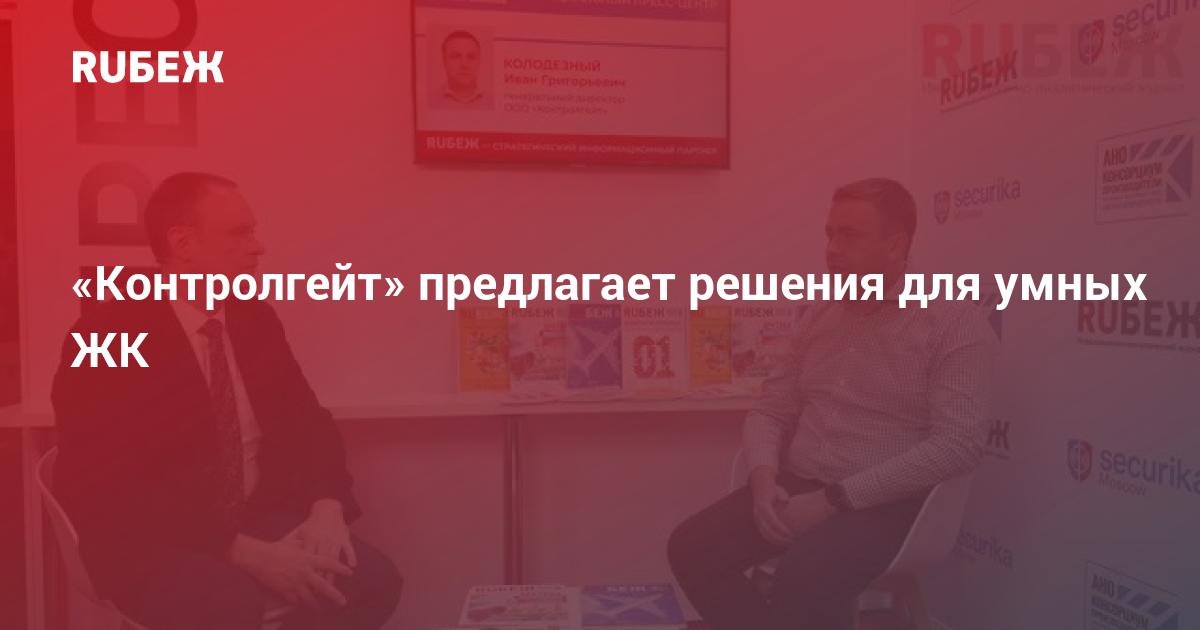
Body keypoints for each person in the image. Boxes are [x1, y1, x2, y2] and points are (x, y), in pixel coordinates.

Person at [51, 172, 402, 630]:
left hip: (253, 516)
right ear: (183, 243)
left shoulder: (254, 320)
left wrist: (327, 504)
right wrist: (241, 552)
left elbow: (307, 422)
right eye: (241, 233)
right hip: (154, 538)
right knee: (227, 607)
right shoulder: (107, 334)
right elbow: (110, 486)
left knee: (373, 582)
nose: (258, 247)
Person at [667, 178, 998, 630]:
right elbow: (770, 408)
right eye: (830, 234)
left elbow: (957, 445)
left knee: (804, 579)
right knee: (691, 547)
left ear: (895, 245)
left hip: (884, 501)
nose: (832, 250)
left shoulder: (952, 322)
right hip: (797, 486)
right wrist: (762, 480)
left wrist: (833, 501)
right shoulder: (821, 315)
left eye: (850, 236)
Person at [438, 30, 484, 106]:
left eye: (471, 57)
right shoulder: (431, 99)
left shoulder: (491, 100)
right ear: (444, 61)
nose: (464, 64)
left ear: (479, 61)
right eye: (456, 56)